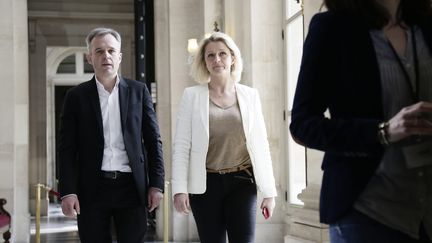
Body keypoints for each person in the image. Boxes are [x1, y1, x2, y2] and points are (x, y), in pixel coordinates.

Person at [290, 0, 432, 242]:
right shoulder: (332, 27)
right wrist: (382, 132)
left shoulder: (427, 26)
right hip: (367, 209)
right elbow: (303, 125)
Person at [58, 27, 165, 243]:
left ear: (119, 56)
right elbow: (66, 148)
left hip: (132, 188)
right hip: (91, 188)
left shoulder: (138, 91)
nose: (106, 56)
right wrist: (68, 192)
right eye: (99, 51)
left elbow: (154, 141)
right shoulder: (75, 97)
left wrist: (156, 184)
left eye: (111, 51)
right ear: (90, 58)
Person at [171, 32, 277, 243]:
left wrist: (269, 192)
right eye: (210, 55)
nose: (217, 59)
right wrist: (179, 189)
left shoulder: (250, 95)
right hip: (206, 184)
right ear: (204, 62)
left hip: (242, 181)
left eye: (222, 54)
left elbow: (261, 145)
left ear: (233, 58)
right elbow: (182, 146)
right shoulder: (192, 96)